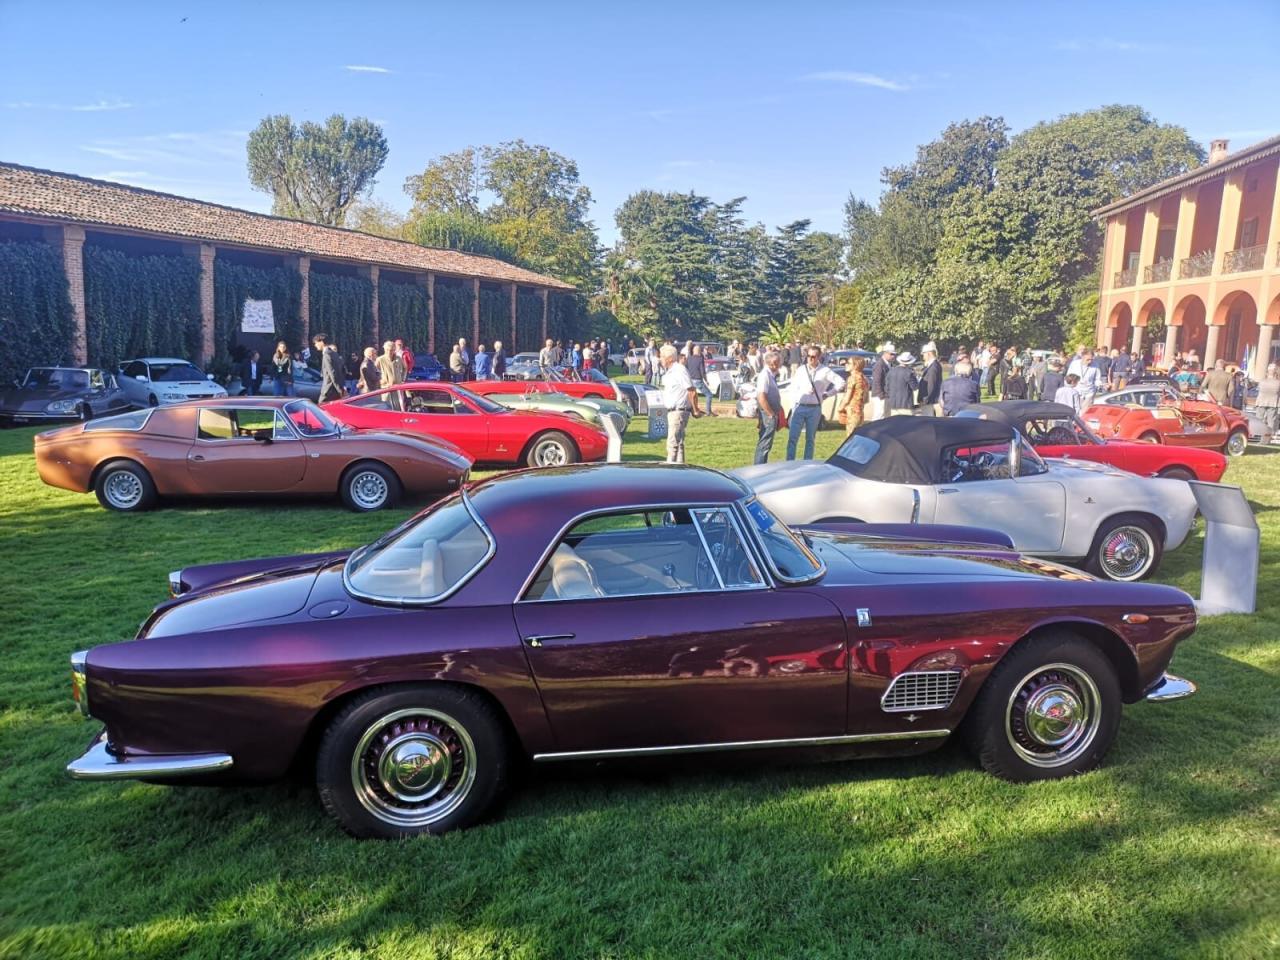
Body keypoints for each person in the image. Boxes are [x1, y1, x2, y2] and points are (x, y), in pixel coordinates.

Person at [787, 346, 843, 460]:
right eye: (808, 356)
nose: (810, 359)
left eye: (813, 357)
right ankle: (789, 461)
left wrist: (827, 394)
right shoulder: (801, 370)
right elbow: (793, 387)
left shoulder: (825, 370)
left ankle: (807, 462)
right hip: (800, 406)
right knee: (793, 437)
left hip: (814, 408)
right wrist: (798, 396)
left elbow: (841, 382)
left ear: (819, 357)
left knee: (810, 438)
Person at [659, 344, 696, 463]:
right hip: (673, 411)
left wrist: (695, 409)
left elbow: (691, 390)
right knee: (679, 443)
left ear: (669, 358)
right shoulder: (670, 372)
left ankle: (670, 472)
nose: (660, 359)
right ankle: (680, 470)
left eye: (662, 357)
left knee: (672, 444)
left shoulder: (679, 370)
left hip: (678, 411)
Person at [754, 350, 783, 464]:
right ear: (772, 363)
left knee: (766, 443)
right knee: (765, 444)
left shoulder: (770, 375)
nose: (779, 365)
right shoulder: (765, 375)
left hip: (769, 413)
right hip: (768, 414)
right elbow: (761, 397)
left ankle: (761, 466)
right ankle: (759, 467)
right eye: (778, 362)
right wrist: (771, 414)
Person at [839, 356, 868, 435]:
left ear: (855, 365)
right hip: (860, 411)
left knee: (850, 437)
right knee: (857, 436)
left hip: (852, 411)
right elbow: (866, 399)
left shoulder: (852, 378)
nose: (846, 365)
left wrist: (840, 408)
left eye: (848, 363)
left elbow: (847, 398)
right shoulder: (864, 378)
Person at [312, 334, 345, 403]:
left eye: (316, 343)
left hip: (328, 390)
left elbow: (333, 373)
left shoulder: (327, 355)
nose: (315, 345)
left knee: (320, 409)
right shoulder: (334, 353)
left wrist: (340, 390)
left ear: (321, 342)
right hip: (334, 390)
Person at [886, 352, 919, 416]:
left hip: (893, 403)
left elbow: (887, 387)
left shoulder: (891, 371)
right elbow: (915, 387)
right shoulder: (909, 373)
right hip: (906, 404)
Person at [686, 344, 714, 416]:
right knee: (709, 395)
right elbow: (702, 371)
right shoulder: (700, 359)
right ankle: (708, 411)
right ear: (699, 351)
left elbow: (686, 369)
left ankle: (691, 411)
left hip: (690, 380)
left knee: (692, 397)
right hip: (698, 380)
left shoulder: (689, 358)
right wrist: (706, 380)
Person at [869, 342, 895, 421]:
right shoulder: (879, 365)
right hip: (880, 396)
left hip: (886, 395)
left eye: (894, 354)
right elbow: (877, 381)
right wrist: (881, 395)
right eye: (891, 354)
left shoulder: (889, 364)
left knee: (886, 416)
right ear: (885, 353)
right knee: (879, 416)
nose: (893, 356)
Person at [1255, 363, 1279, 444]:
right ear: (1275, 371)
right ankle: (1266, 440)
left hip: (1261, 402)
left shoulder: (1262, 381)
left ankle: (1257, 438)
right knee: (1270, 422)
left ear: (1268, 371)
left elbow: (1258, 391)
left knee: (1259, 420)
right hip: (1273, 403)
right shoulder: (1278, 383)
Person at [376, 340, 405, 406]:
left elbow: (405, 368)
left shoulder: (398, 358)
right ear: (384, 350)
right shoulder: (380, 359)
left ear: (394, 350)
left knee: (399, 406)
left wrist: (403, 379)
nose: (389, 352)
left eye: (391, 350)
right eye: (387, 350)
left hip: (398, 387)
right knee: (386, 406)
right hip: (386, 388)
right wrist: (380, 381)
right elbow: (375, 372)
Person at [917, 341, 942, 415]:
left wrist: (926, 400)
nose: (923, 357)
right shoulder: (932, 365)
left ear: (929, 354)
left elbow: (931, 385)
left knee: (928, 419)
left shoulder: (933, 367)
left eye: (924, 354)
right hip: (929, 400)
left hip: (930, 401)